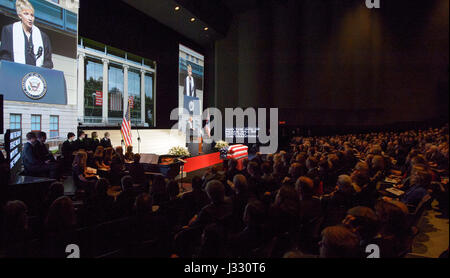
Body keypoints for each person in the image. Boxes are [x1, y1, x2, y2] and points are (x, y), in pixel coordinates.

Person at [0, 0, 53, 68]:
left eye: (32, 15)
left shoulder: (43, 37)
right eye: (26, 14)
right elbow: (5, 57)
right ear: (20, 15)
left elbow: (48, 62)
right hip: (15, 74)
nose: (30, 18)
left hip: (36, 76)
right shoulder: (9, 31)